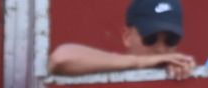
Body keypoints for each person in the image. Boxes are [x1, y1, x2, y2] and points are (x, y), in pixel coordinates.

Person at [49, 0, 196, 80]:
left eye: (170, 40)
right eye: (150, 39)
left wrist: (186, 72)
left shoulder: (181, 74)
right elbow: (61, 59)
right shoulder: (103, 68)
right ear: (127, 37)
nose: (160, 49)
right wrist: (140, 63)